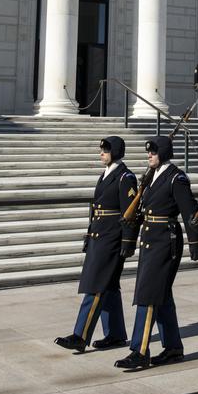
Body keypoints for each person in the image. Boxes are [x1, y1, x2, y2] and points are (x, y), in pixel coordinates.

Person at [115, 135, 198, 371]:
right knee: (161, 295)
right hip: (150, 239)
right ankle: (173, 348)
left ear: (163, 154)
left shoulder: (177, 178)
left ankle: (139, 350)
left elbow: (190, 213)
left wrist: (196, 243)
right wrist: (129, 239)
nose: (149, 156)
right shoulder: (151, 177)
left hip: (166, 240)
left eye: (153, 153)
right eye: (148, 153)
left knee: (148, 294)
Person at [55, 136, 138, 353]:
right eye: (101, 149)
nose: (101, 153)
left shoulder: (125, 177)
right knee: (108, 286)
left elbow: (130, 214)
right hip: (99, 235)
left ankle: (80, 335)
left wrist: (128, 242)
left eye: (106, 149)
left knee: (96, 285)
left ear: (116, 152)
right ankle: (116, 334)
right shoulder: (107, 174)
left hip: (111, 238)